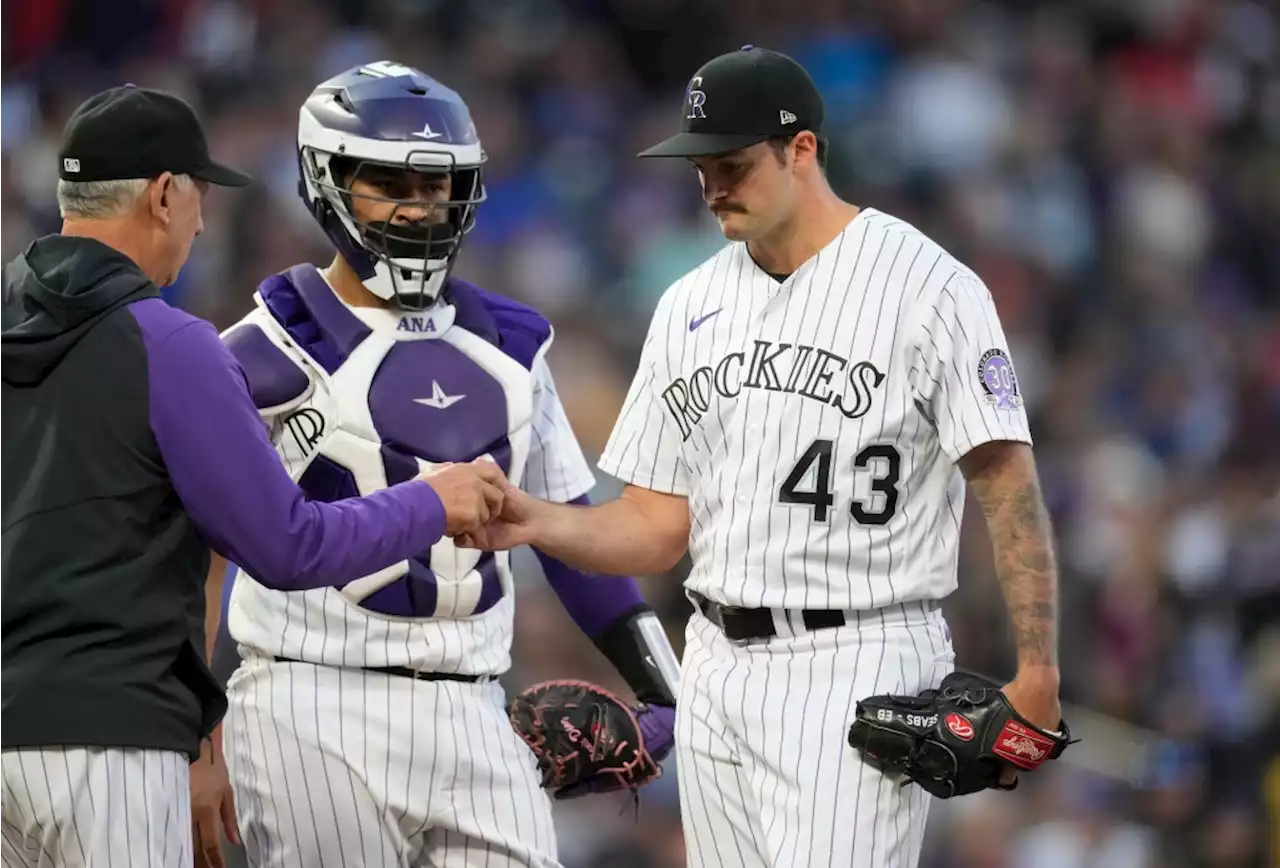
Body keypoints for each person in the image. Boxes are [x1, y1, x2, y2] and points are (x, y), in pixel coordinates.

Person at [458, 45, 1064, 868]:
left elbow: (1004, 476)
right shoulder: (689, 304)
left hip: (859, 652)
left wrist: (1038, 672)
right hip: (713, 659)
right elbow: (655, 525)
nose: (712, 187)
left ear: (801, 149)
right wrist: (537, 523)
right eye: (700, 168)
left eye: (733, 165)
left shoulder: (928, 286)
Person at [0, 84, 506, 868]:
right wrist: (428, 502)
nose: (204, 223)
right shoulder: (169, 345)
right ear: (165, 195)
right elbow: (287, 547)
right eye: (199, 196)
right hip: (110, 743)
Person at [207, 60, 680, 868]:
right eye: (392, 182)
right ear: (327, 180)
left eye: (441, 187)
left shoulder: (512, 345)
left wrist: (667, 689)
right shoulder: (257, 352)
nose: (421, 208)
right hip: (306, 699)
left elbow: (569, 532)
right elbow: (205, 558)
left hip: (476, 704)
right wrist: (197, 733)